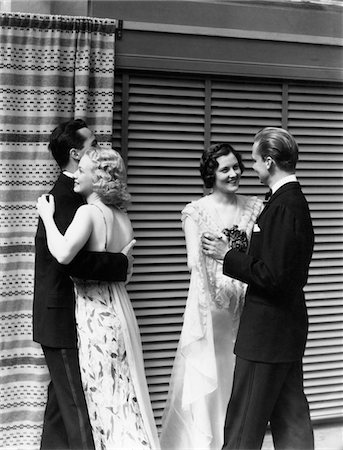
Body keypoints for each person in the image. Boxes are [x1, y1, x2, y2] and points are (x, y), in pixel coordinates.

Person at [36, 145, 160, 450]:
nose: (76, 174)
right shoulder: (122, 216)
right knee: (123, 394)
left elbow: (64, 254)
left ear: (99, 176)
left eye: (83, 170)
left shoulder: (88, 212)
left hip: (96, 315)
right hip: (120, 309)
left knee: (102, 397)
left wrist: (48, 218)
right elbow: (125, 271)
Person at [201, 128, 314, 450]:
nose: (251, 168)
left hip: (266, 333)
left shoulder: (284, 206)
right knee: (291, 418)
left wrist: (228, 256)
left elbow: (274, 276)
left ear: (269, 161)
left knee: (244, 423)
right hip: (286, 329)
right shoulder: (291, 202)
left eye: (253, 160)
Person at [33, 119, 131, 450]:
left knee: (61, 406)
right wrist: (122, 263)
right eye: (93, 143)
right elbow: (70, 261)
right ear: (77, 154)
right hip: (62, 315)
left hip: (70, 315)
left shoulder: (83, 196)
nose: (100, 146)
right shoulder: (67, 197)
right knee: (77, 406)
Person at [160, 143, 263, 450]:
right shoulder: (196, 210)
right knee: (211, 372)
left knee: (239, 374)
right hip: (212, 306)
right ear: (210, 174)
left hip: (248, 302)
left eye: (236, 167)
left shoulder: (256, 206)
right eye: (225, 169)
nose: (234, 174)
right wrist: (214, 252)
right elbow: (193, 259)